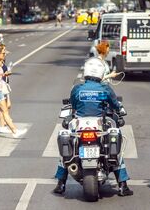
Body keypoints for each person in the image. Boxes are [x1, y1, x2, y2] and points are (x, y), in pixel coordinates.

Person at [53, 57, 133, 197]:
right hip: (99, 125)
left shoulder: (77, 88)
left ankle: (61, 184)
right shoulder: (105, 88)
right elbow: (115, 105)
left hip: (79, 125)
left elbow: (72, 104)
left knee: (66, 152)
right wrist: (120, 111)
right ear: (101, 73)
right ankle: (122, 185)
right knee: (116, 152)